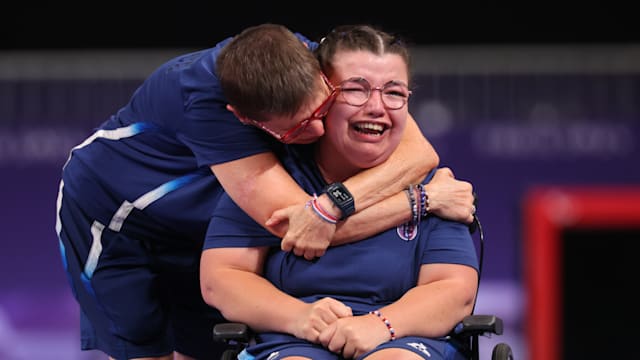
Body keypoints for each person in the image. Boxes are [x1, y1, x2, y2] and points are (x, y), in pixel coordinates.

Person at [55, 24, 474, 360]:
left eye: (322, 110)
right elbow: (307, 230)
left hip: (201, 221)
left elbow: (420, 153)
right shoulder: (207, 107)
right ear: (244, 119)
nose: (317, 131)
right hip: (116, 221)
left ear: (321, 75)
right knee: (147, 349)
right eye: (296, 129)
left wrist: (332, 203)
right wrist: (422, 202)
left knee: (206, 347)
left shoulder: (318, 59)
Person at [201, 25, 479, 360]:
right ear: (322, 93)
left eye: (394, 93)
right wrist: (299, 317)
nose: (376, 107)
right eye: (355, 90)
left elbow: (453, 290)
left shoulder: (438, 186)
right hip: (293, 339)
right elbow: (222, 278)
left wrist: (382, 324)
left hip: (405, 339)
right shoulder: (272, 180)